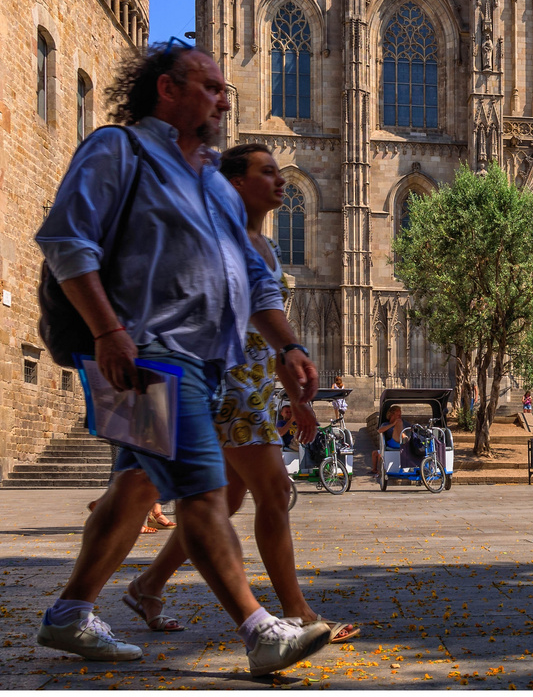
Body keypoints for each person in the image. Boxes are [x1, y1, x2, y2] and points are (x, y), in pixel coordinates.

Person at [33, 44, 330, 672]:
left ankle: (69, 614)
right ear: (168, 90)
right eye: (213, 87)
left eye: (225, 90)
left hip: (202, 363)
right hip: (146, 354)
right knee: (204, 489)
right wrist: (109, 332)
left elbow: (254, 279)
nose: (225, 99)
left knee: (134, 490)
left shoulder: (211, 184)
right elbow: (67, 241)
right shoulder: (119, 150)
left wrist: (289, 346)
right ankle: (260, 630)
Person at [122, 145, 358, 644]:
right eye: (265, 171)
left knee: (222, 499)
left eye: (278, 171)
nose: (279, 179)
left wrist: (293, 395)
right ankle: (296, 614)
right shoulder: (219, 238)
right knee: (270, 491)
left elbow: (265, 325)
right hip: (222, 379)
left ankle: (146, 585)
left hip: (252, 383)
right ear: (233, 184)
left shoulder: (265, 248)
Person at [372, 405, 406, 480]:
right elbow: (379, 431)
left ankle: (405, 438)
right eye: (398, 415)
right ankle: (404, 438)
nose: (400, 417)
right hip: (392, 442)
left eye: (400, 415)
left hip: (403, 443)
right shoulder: (386, 424)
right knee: (400, 424)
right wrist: (394, 424)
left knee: (402, 426)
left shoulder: (403, 422)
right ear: (392, 415)